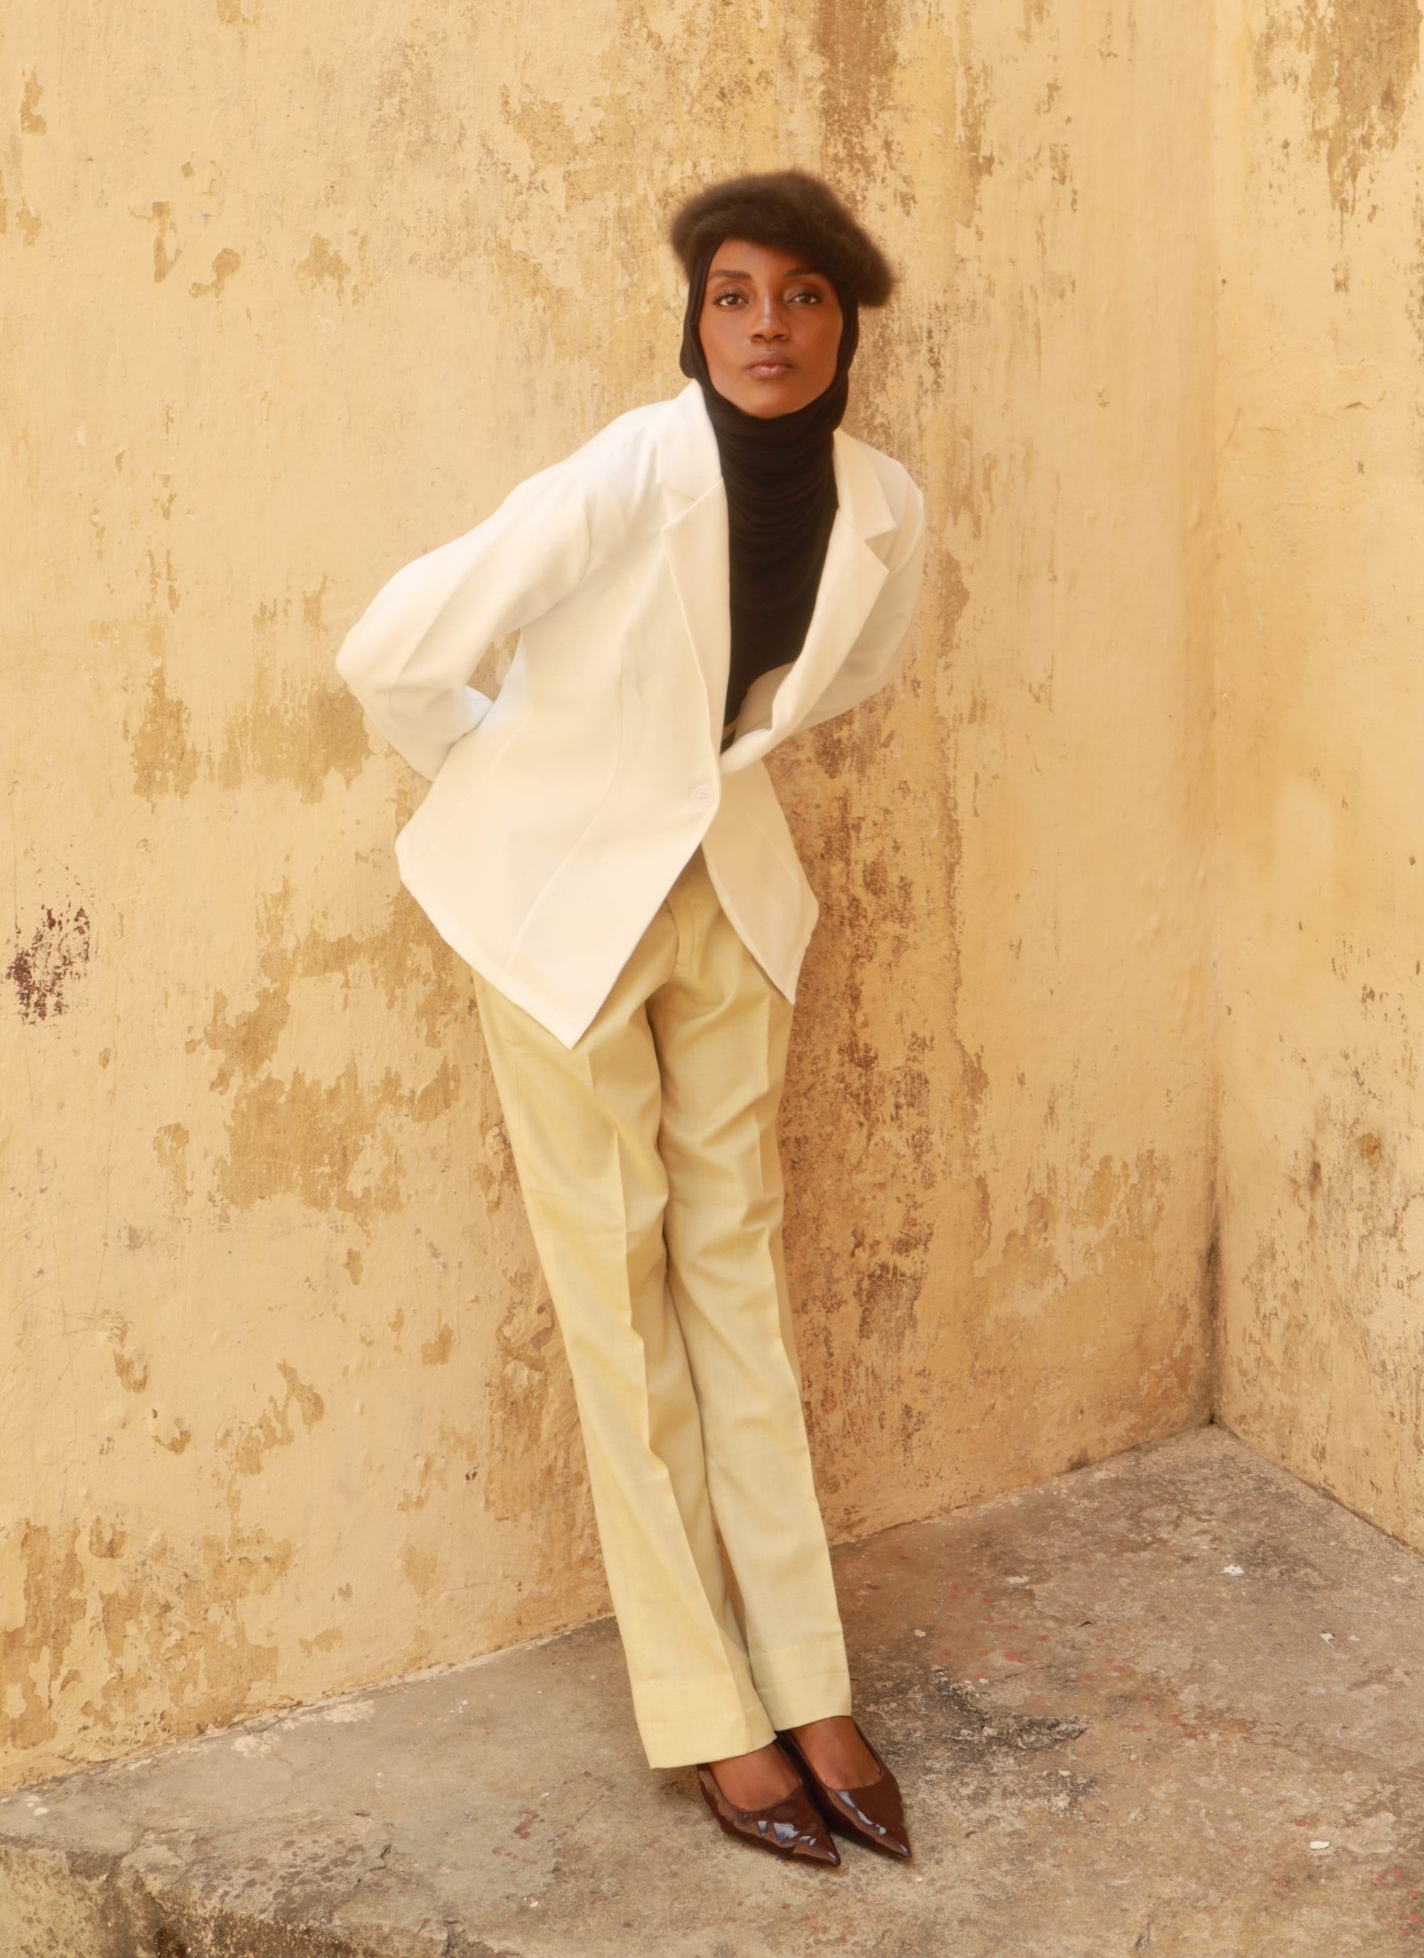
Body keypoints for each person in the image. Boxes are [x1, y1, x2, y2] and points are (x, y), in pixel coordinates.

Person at [334, 170, 927, 1868]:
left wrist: (681, 778)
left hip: (726, 894)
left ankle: (807, 1679)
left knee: (734, 1277)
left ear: (842, 328)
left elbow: (842, 676)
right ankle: (706, 1707)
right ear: (694, 318)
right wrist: (525, 777)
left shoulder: (880, 503)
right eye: (734, 295)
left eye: (801, 297)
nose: (766, 327)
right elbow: (392, 652)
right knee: (616, 1293)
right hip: (561, 916)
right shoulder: (624, 471)